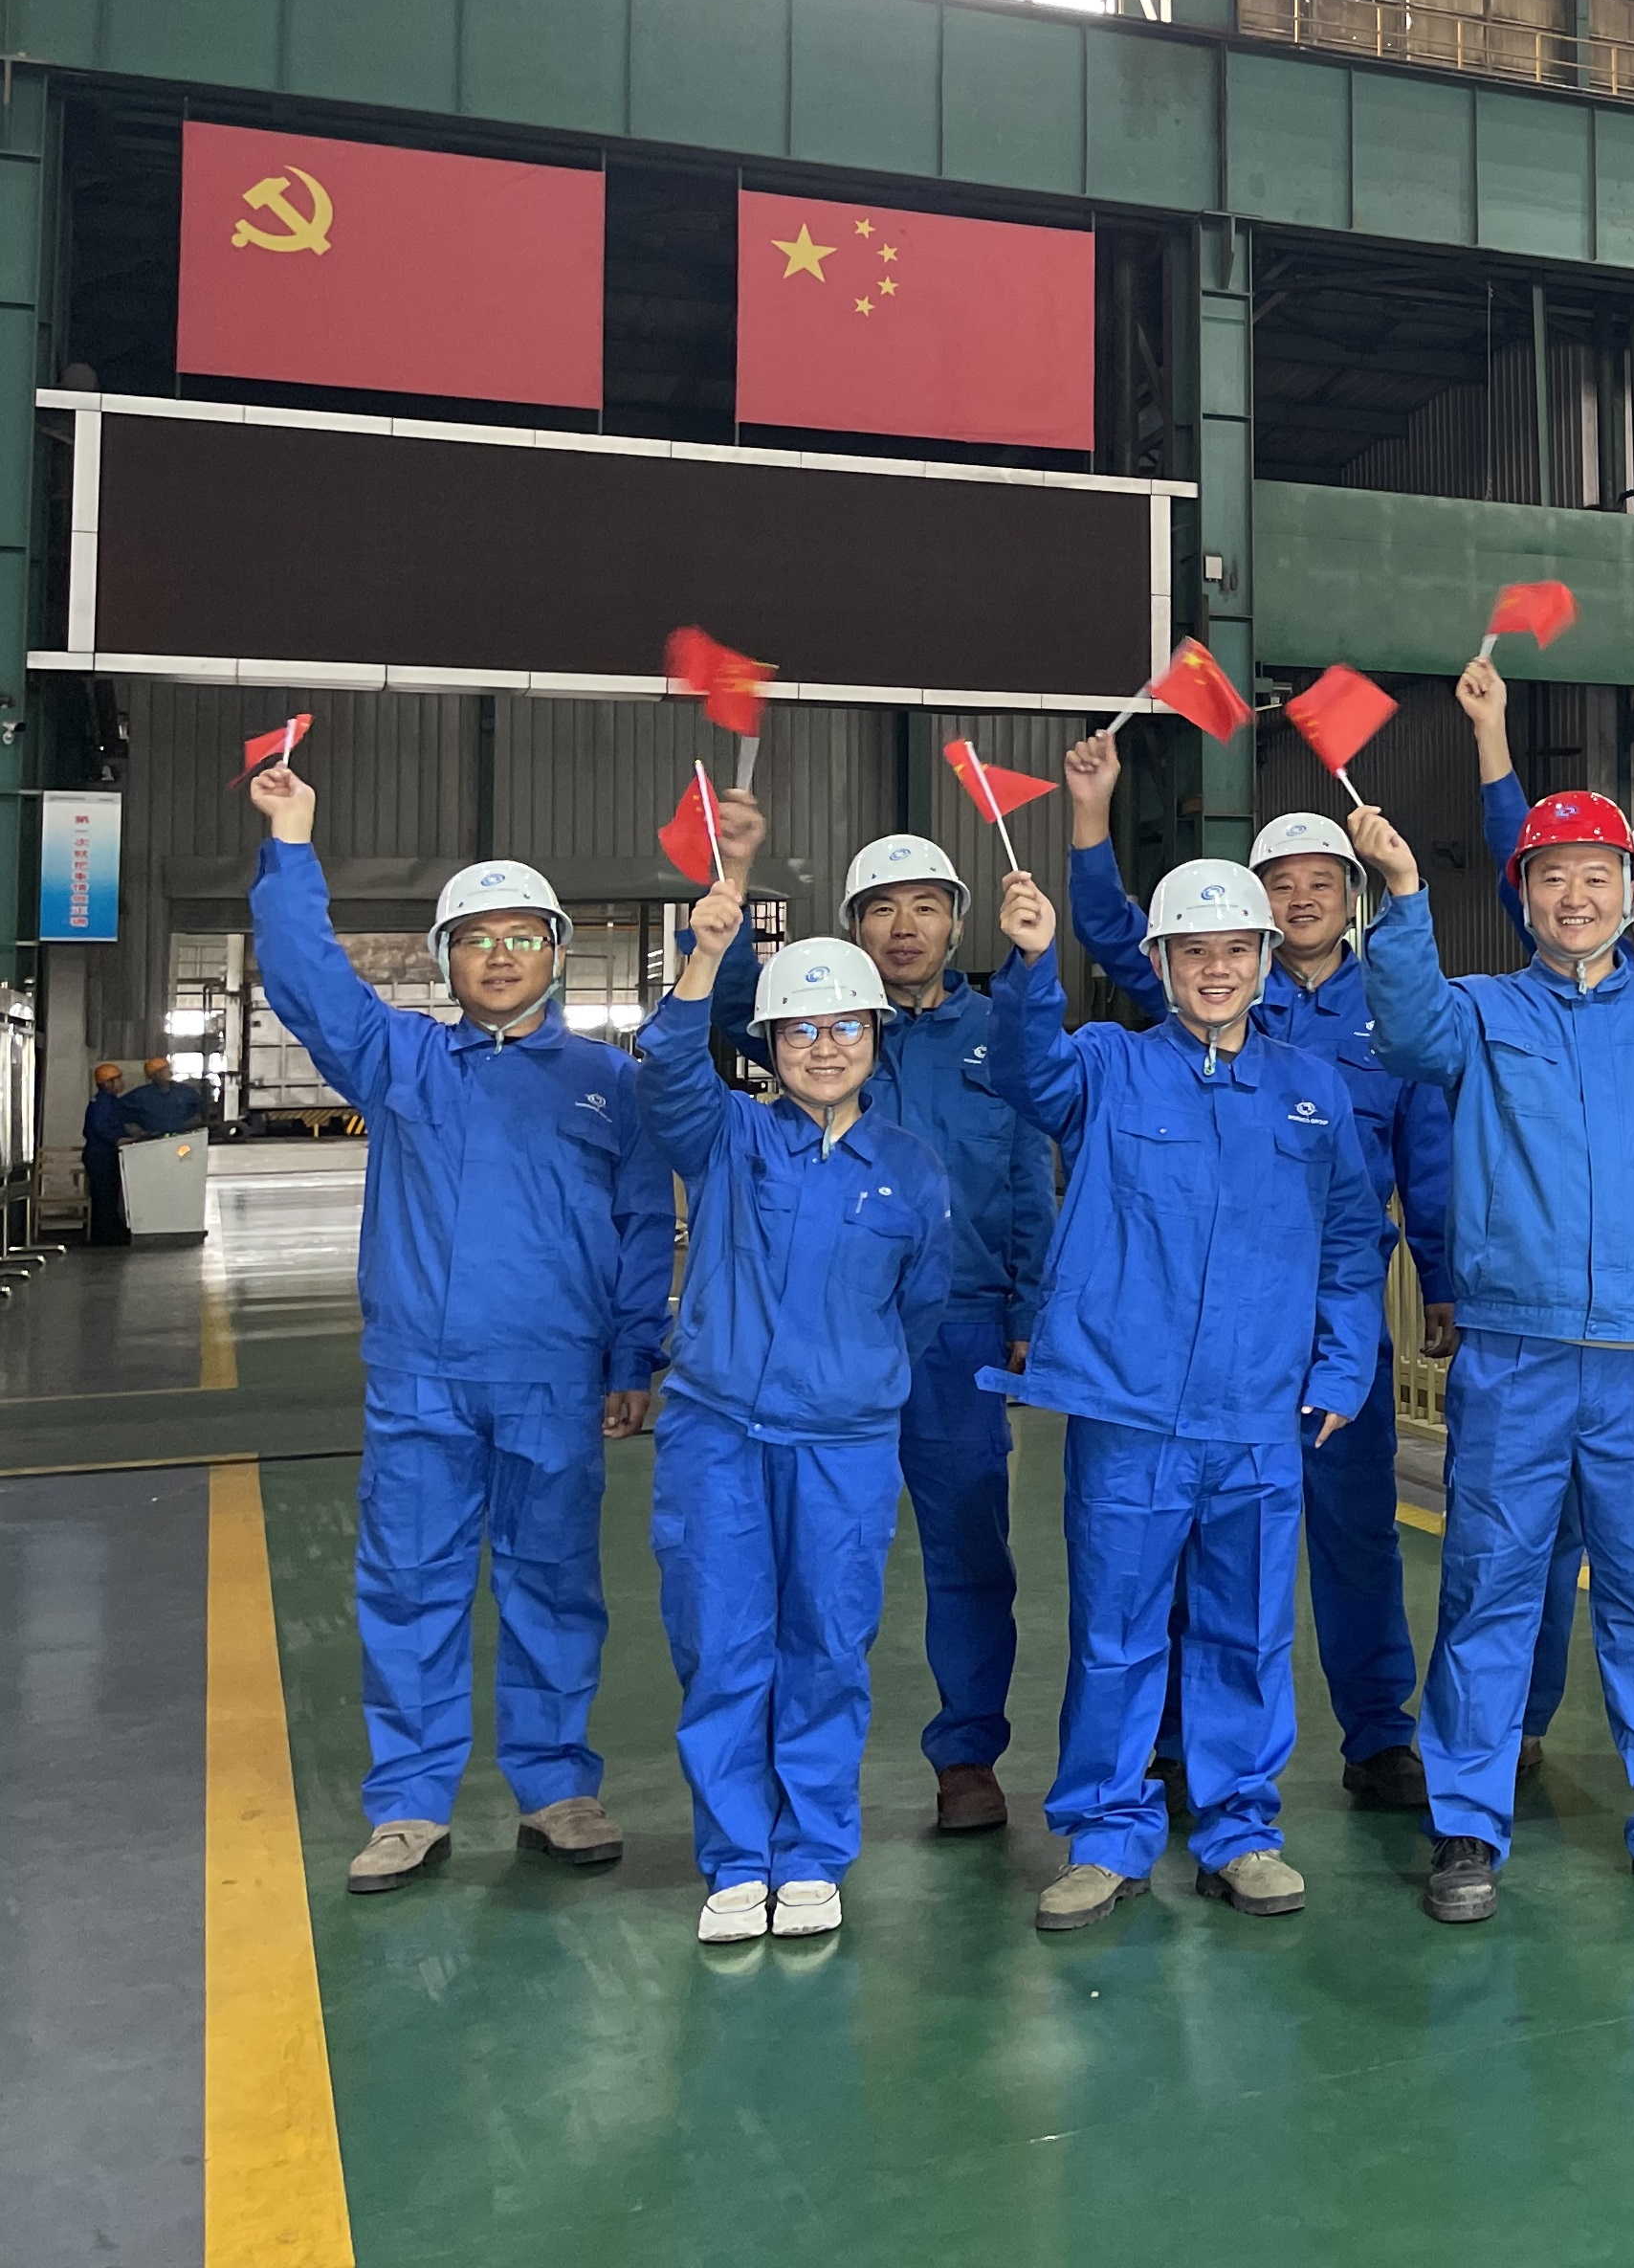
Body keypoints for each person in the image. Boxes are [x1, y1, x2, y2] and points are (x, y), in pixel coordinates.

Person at [243, 767, 672, 1895]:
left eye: (522, 936)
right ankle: (408, 1805)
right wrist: (292, 841)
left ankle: (556, 1788)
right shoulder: (402, 1062)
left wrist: (634, 1356)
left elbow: (642, 1227)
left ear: (558, 952)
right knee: (410, 1584)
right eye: (474, 939)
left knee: (553, 1585)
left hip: (555, 1380)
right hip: (420, 1381)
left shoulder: (609, 1083)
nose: (499, 956)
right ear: (444, 961)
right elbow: (306, 978)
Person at [1351, 787, 1634, 1923]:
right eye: (1551, 876)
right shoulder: (1479, 1015)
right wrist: (1401, 896)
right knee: (1489, 1586)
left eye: (1596, 876)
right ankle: (1466, 1825)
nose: (1575, 896)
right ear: (1522, 895)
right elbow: (1404, 1028)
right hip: (1516, 1357)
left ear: (1628, 895)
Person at [984, 861, 1385, 1933]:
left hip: (1261, 1414)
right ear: (1159, 962)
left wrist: (1340, 1367)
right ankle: (1104, 1836)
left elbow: (1353, 1240)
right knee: (1117, 1633)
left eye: (1236, 950)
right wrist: (1031, 965)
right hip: (1134, 1412)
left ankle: (1240, 1830)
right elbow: (1025, 1072)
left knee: (1245, 1631)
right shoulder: (1106, 1066)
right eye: (1194, 951)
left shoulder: (1311, 1088)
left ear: (1264, 961)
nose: (1217, 969)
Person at [1062, 742, 1456, 1810]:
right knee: (1197, 1541)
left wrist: (1440, 1278)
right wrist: (1091, 820)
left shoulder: (1393, 1006)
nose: (1303, 898)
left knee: (1357, 1534)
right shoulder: (1218, 983)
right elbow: (1112, 928)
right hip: (1204, 1322)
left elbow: (1424, 1150)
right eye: (1281, 884)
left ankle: (1379, 1734)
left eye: (1323, 882)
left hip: (1331, 1315)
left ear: (1350, 897)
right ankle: (1174, 1741)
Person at [704, 800, 1059, 1836]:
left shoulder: (998, 1038)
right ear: (853, 926)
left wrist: (1030, 1306)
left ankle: (968, 1757)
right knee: (809, 1559)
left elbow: (1028, 1178)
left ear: (957, 921)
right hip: (823, 1339)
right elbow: (730, 1007)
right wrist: (734, 882)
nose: (904, 928)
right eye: (881, 909)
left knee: (968, 1551)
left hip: (961, 1331)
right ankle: (794, 1772)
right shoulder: (825, 1030)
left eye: (925, 907)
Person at [643, 891, 953, 1944]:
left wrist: (851, 1379)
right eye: (801, 1029)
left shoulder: (910, 1170)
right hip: (718, 1437)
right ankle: (737, 1858)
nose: (825, 1047)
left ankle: (812, 1853)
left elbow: (919, 1304)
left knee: (826, 1646)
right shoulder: (728, 1137)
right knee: (723, 1643)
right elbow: (665, 1068)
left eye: (845, 1026)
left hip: (845, 1446)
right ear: (769, 1045)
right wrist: (704, 957)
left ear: (877, 1035)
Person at [78, 1064, 130, 1247]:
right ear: (108, 1083)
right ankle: (105, 1235)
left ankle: (109, 1231)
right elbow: (101, 1128)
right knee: (104, 1196)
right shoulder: (103, 1103)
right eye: (117, 1079)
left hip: (104, 1154)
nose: (121, 1083)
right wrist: (118, 1139)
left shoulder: (110, 1101)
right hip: (101, 1156)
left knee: (109, 1195)